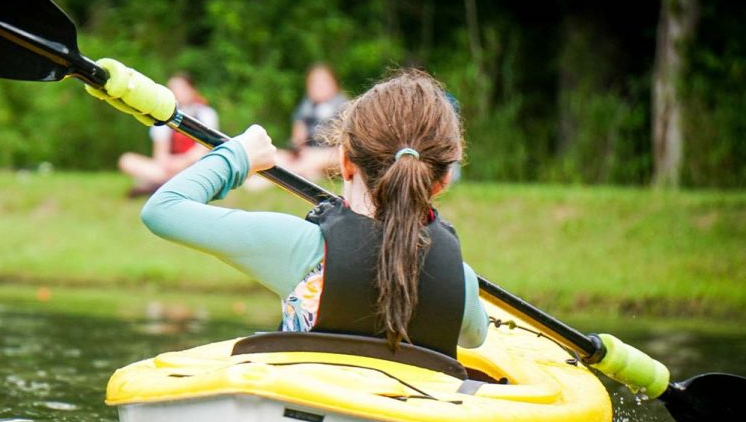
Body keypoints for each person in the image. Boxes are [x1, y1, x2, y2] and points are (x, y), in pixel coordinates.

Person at [141, 69, 487, 357]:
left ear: (345, 161)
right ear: (442, 181)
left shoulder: (302, 250)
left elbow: (163, 209)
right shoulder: (461, 281)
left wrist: (238, 156)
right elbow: (476, 338)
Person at [118, 72, 219, 197]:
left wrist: (181, 163)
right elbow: (160, 154)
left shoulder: (205, 113)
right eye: (172, 89)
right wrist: (170, 164)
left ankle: (161, 185)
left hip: (196, 166)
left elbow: (203, 150)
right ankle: (173, 184)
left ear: (192, 90)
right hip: (169, 168)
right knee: (127, 160)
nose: (177, 92)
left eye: (181, 88)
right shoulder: (162, 117)